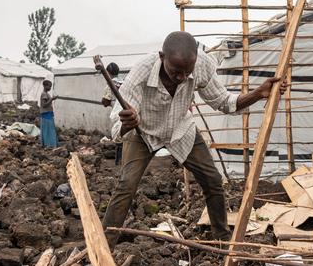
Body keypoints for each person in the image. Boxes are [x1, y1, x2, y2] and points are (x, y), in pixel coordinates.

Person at [103, 31, 287, 247]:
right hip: (143, 132)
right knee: (126, 184)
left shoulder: (202, 65)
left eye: (186, 72)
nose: (181, 78)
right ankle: (104, 244)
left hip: (181, 130)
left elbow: (224, 102)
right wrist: (127, 123)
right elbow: (117, 125)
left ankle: (221, 237)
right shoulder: (141, 71)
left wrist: (259, 93)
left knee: (213, 181)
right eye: (175, 72)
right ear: (162, 57)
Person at [101, 62, 123, 164]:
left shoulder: (110, 84)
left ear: (108, 73)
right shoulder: (123, 82)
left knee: (118, 135)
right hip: (128, 110)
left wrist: (103, 101)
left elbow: (106, 101)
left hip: (117, 113)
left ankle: (118, 161)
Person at [39, 80, 58, 148]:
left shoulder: (46, 94)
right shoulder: (44, 94)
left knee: (48, 129)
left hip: (48, 113)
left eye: (50, 86)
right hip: (46, 114)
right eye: (49, 86)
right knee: (48, 130)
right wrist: (52, 99)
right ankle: (49, 144)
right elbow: (44, 105)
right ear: (45, 86)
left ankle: (48, 144)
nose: (50, 87)